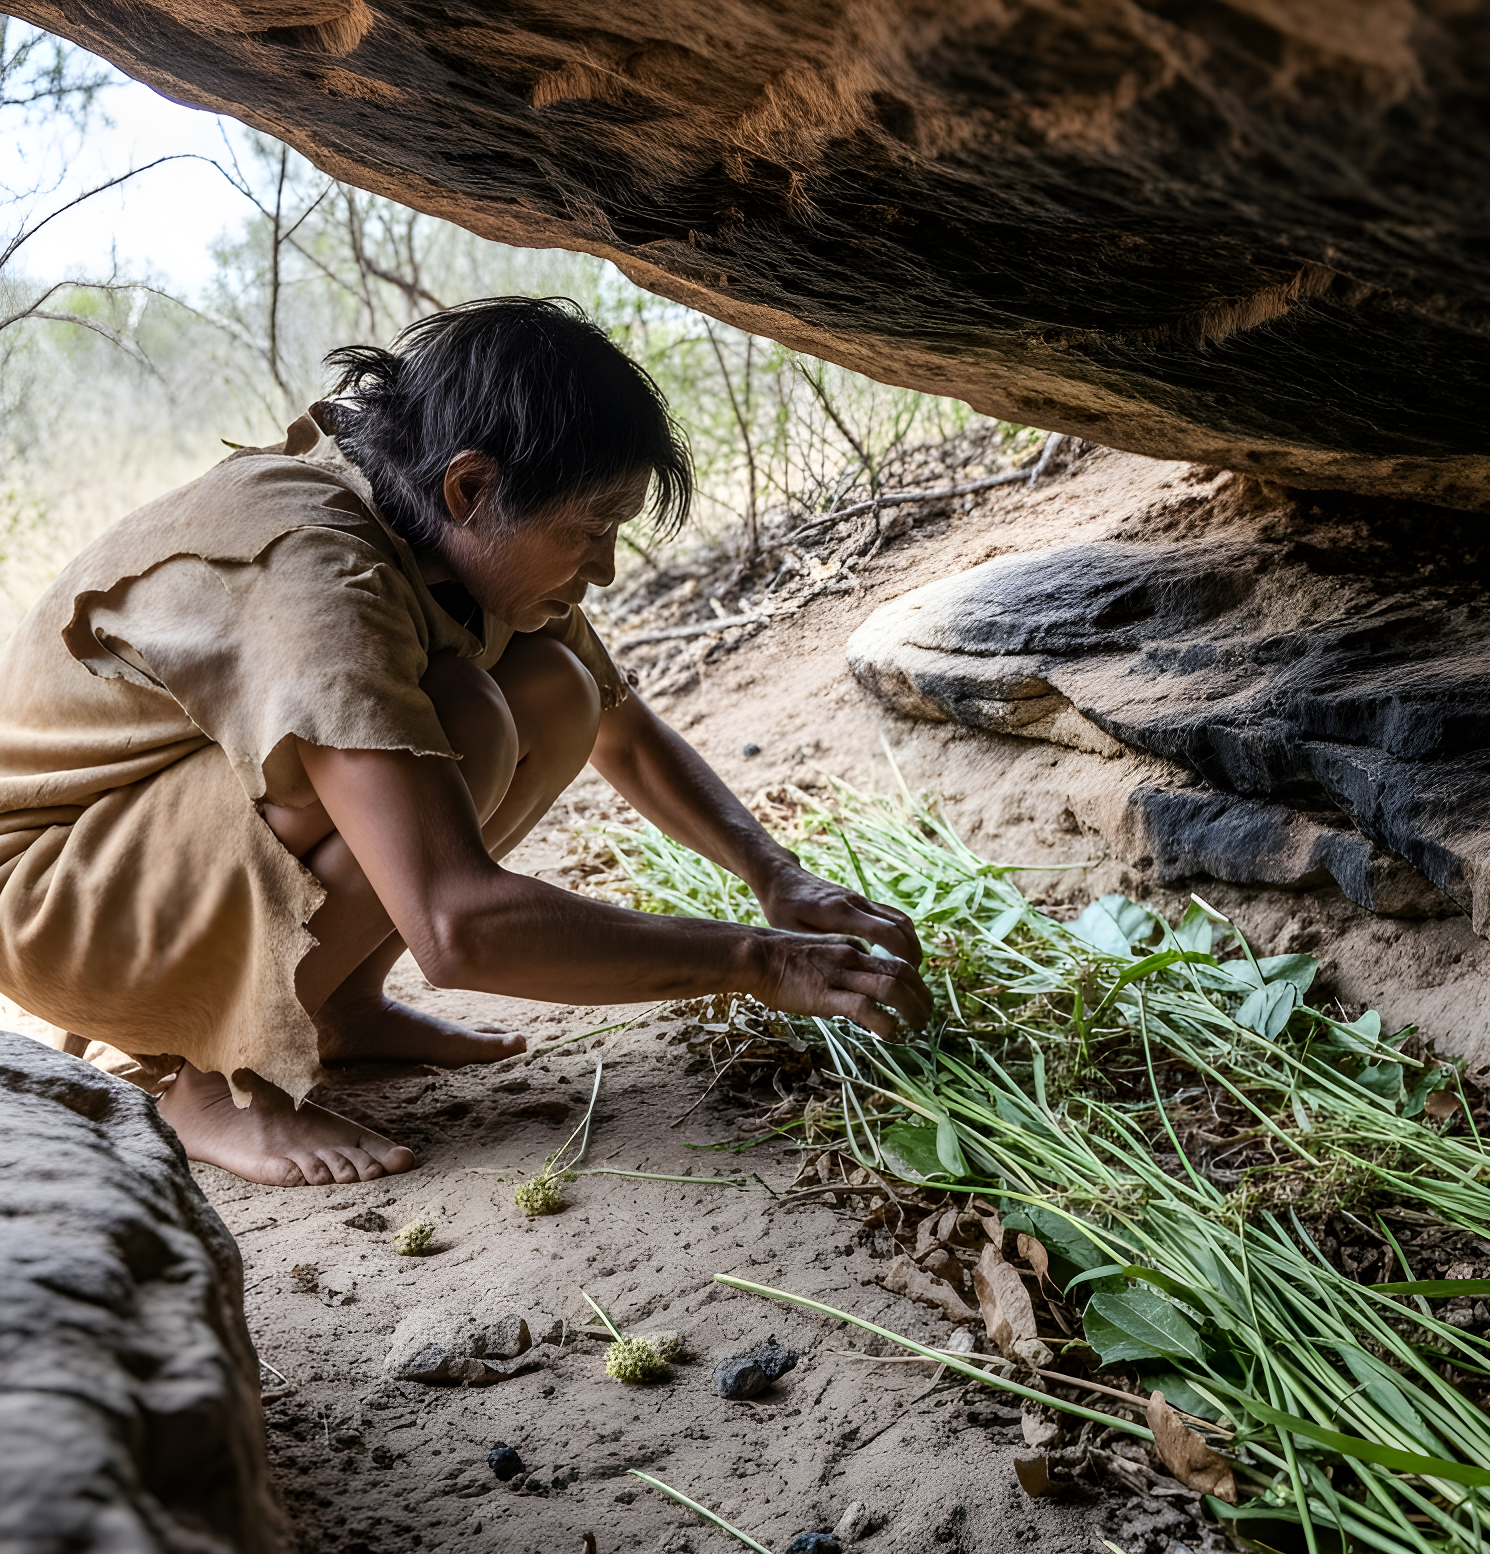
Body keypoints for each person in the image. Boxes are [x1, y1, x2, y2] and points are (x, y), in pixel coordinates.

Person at [0, 297, 929, 1187]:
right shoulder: (316, 574)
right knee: (467, 719)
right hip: (51, 902)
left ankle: (335, 1010)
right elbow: (458, 925)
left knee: (552, 690)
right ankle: (219, 1083)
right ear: (472, 485)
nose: (603, 568)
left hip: (142, 866)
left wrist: (776, 877)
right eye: (593, 527)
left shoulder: (436, 522)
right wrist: (757, 960)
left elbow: (623, 733)